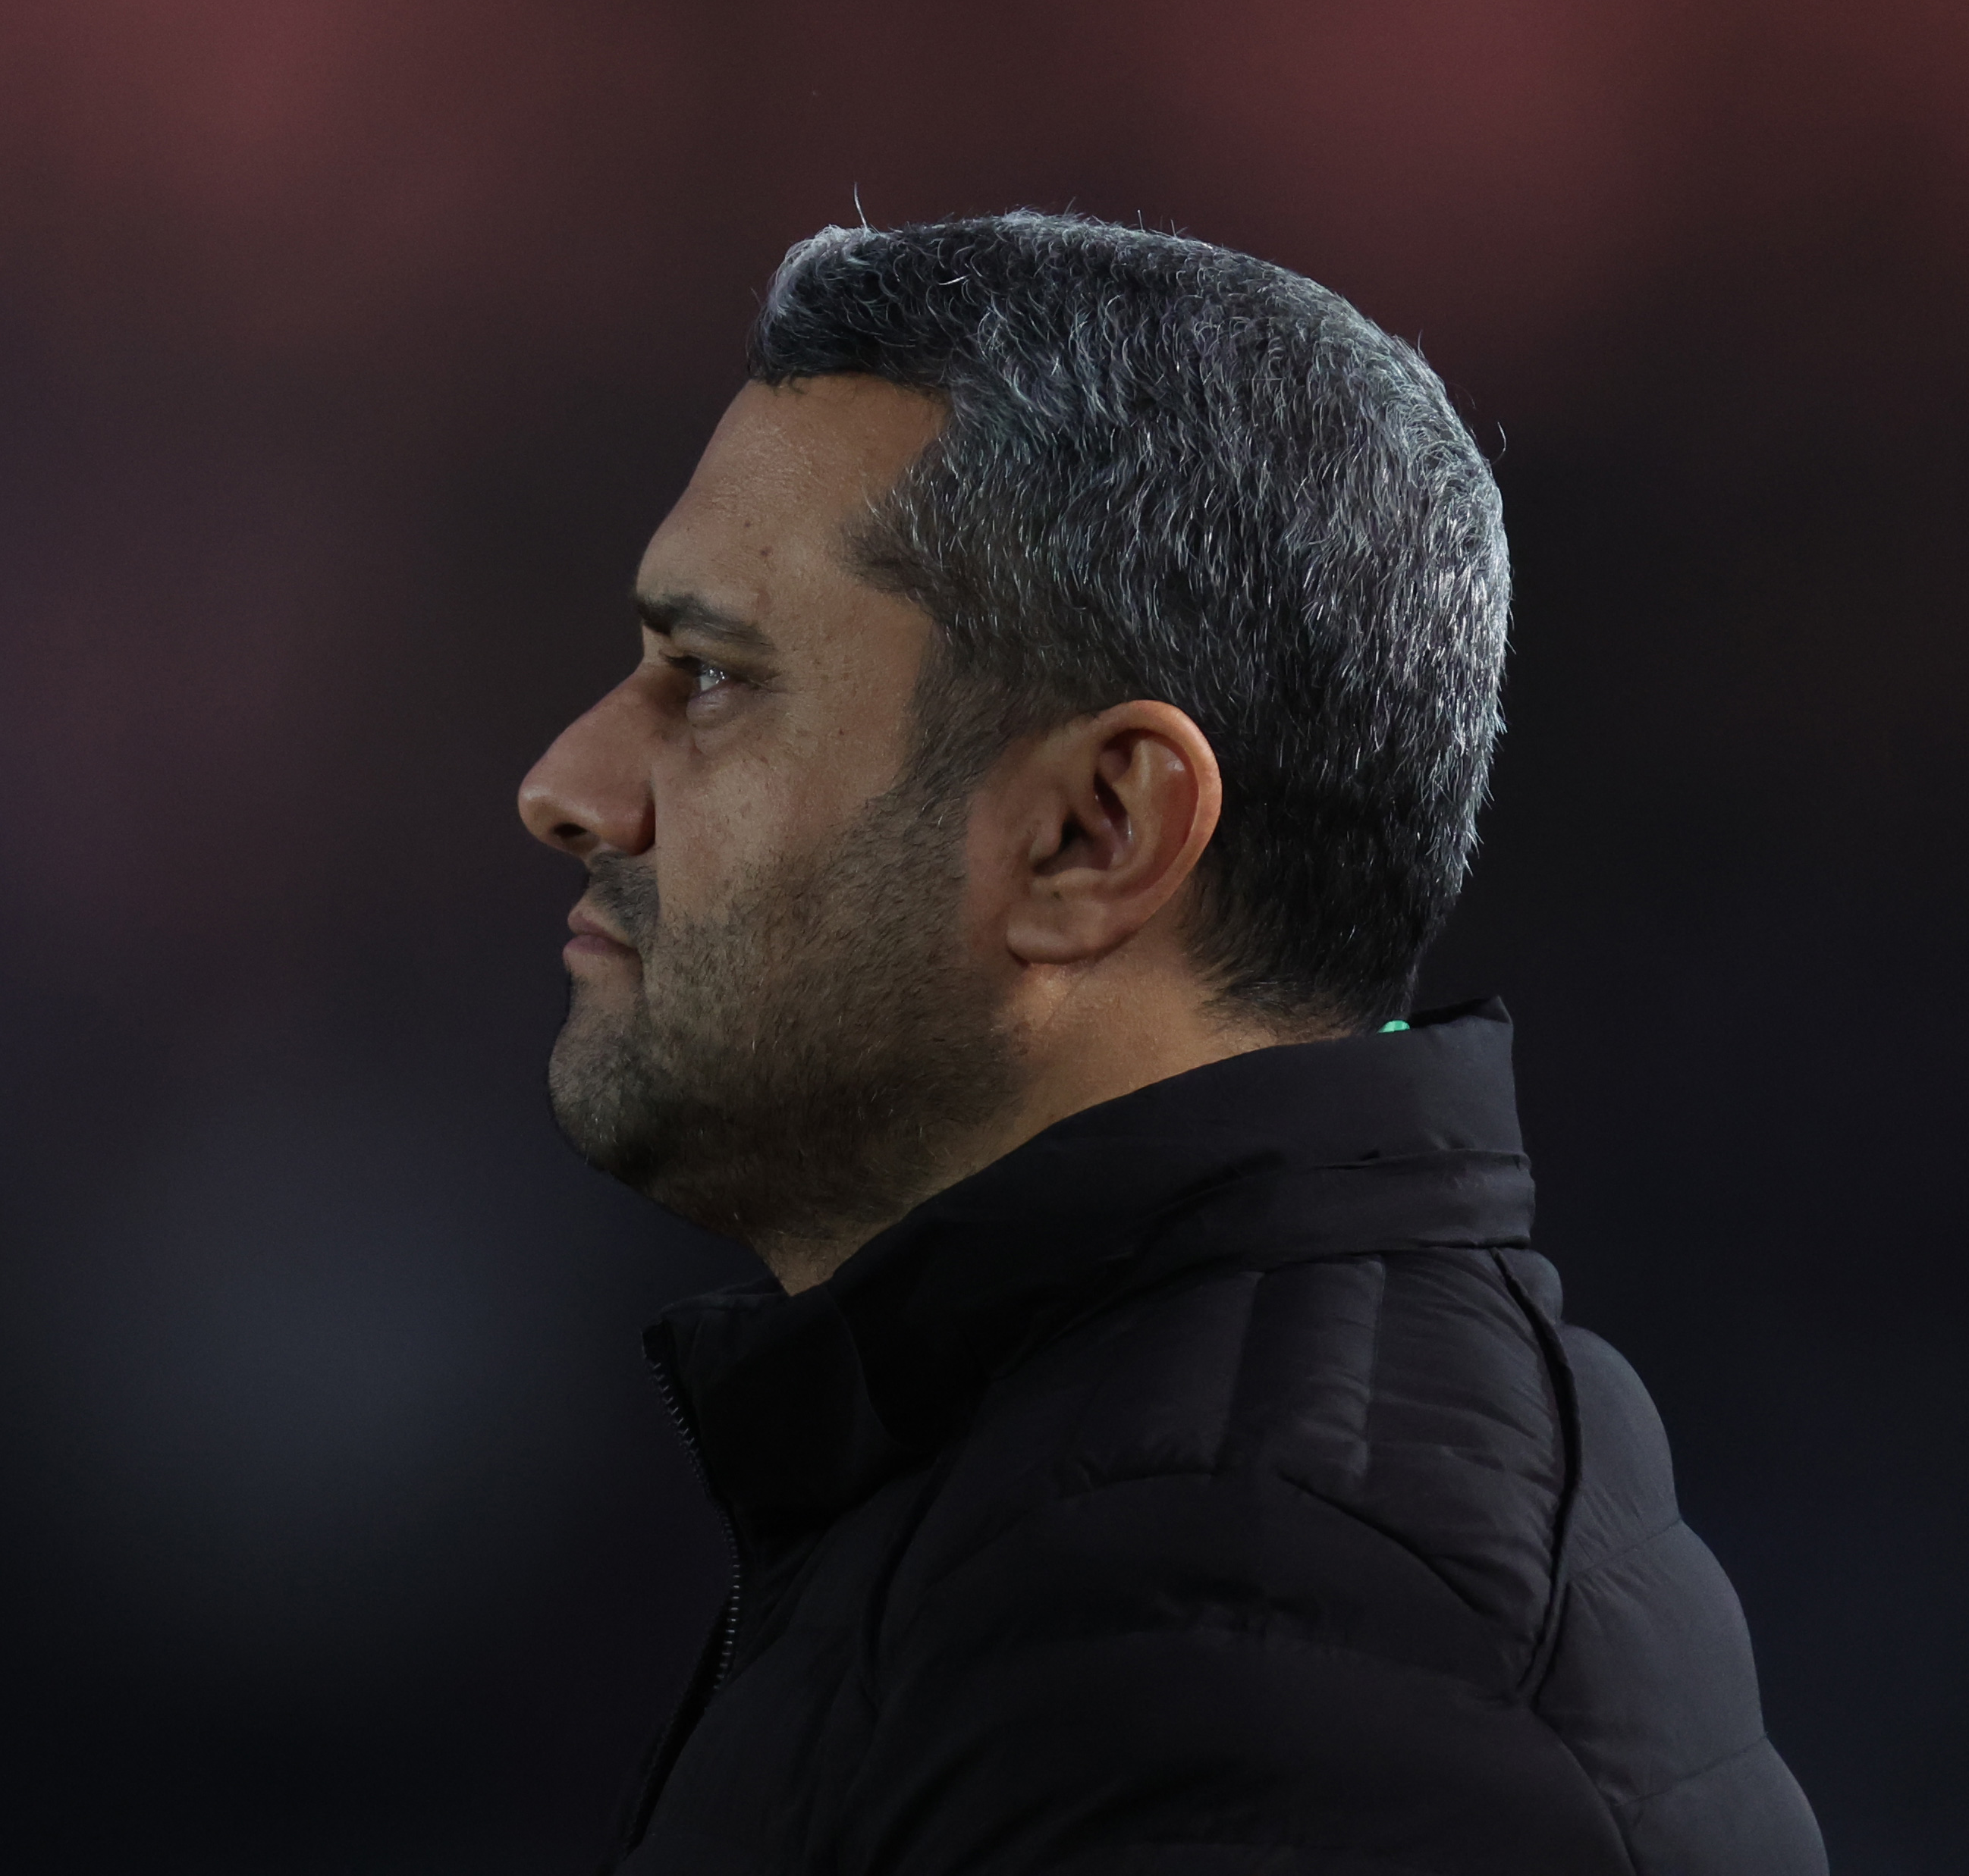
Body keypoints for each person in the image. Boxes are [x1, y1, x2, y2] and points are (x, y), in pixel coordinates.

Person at [518, 212, 1825, 1874]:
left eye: (708, 678)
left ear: (1096, 833)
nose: (565, 785)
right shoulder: (1122, 1515)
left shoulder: (1247, 1633)